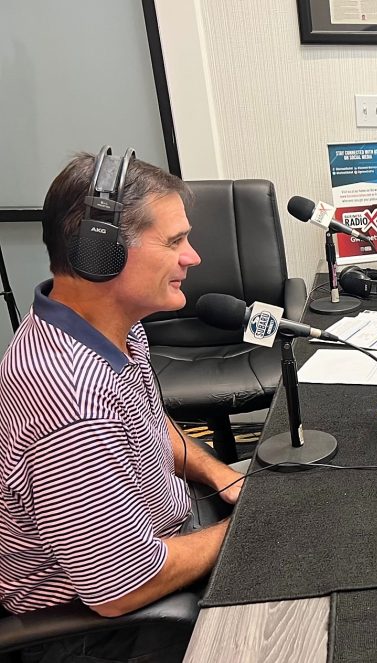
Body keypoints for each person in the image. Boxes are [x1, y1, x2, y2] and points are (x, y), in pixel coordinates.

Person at [0, 149, 245, 661]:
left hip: (169, 535)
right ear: (99, 253)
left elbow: (149, 426)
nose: (193, 257)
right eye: (175, 241)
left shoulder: (115, 329)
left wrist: (219, 474)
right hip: (108, 631)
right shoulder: (71, 397)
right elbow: (122, 588)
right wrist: (248, 527)